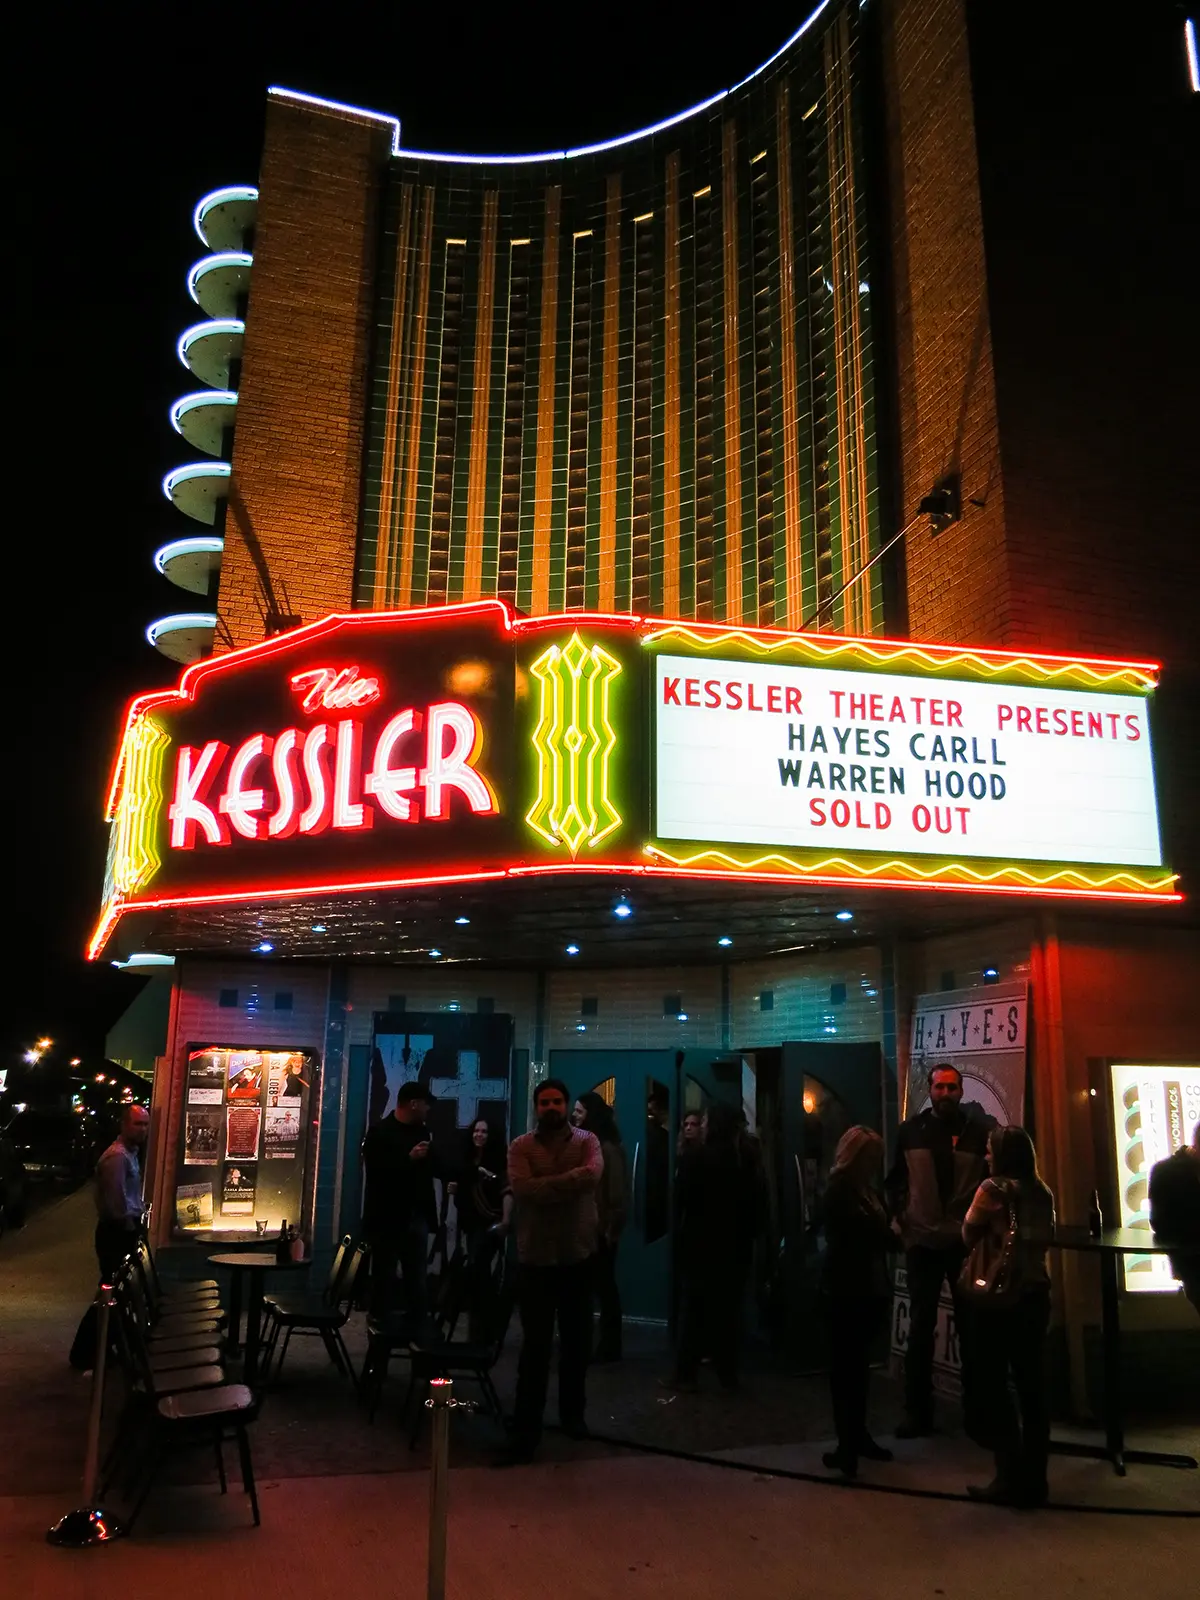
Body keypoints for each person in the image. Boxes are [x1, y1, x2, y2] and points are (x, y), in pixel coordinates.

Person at [495, 1079, 602, 1466]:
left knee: (576, 1345)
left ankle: (574, 1418)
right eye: (545, 1103)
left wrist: (547, 1185)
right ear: (536, 1107)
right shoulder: (520, 1146)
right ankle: (527, 1431)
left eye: (558, 1101)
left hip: (577, 1257)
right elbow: (524, 1191)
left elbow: (593, 1175)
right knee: (534, 1349)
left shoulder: (588, 1140)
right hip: (536, 1260)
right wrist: (568, 1183)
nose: (552, 1108)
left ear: (566, 1103)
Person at [885, 1063, 990, 1438]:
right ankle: (918, 1412)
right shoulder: (910, 1132)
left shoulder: (980, 1134)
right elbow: (895, 1179)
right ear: (929, 1091)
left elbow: (989, 1184)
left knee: (971, 1329)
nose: (945, 1093)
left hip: (963, 1244)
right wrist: (901, 1219)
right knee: (920, 1328)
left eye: (952, 1088)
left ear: (961, 1091)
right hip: (924, 1242)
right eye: (939, 1087)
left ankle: (977, 1414)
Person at [963, 1125, 1056, 1506]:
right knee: (1033, 1386)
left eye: (990, 1149)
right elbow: (1045, 1237)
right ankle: (1036, 1481)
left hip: (1000, 1297)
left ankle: (1007, 1474)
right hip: (1036, 1292)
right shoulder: (1042, 1191)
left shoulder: (992, 1190)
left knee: (995, 1384)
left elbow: (969, 1233)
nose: (986, 1155)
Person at [665, 1102, 760, 1392]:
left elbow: (680, 1201)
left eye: (705, 1121)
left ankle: (686, 1374)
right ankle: (727, 1375)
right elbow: (756, 1205)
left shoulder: (695, 1158)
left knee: (694, 1311)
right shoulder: (744, 1159)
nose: (701, 1125)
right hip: (734, 1246)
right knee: (727, 1313)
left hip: (698, 1244)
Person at [821, 1126, 896, 1477]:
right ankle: (847, 1443)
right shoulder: (840, 1190)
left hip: (867, 1286)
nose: (875, 1164)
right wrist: (886, 1234)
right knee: (845, 1371)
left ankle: (857, 1437)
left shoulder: (866, 1190)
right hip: (846, 1289)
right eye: (871, 1158)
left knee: (857, 1369)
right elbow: (853, 1234)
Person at [70, 1104, 149, 1370]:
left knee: (113, 1295)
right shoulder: (117, 1157)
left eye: (146, 1124)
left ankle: (103, 1350)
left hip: (121, 1230)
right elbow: (116, 1203)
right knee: (109, 1295)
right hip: (116, 1232)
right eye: (138, 1124)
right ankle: (84, 1353)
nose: (143, 1130)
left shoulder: (130, 1154)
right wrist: (130, 1228)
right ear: (124, 1125)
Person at [361, 1082, 443, 1333]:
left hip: (415, 1216)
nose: (428, 1109)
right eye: (425, 1104)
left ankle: (418, 1332)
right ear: (414, 1104)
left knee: (416, 1278)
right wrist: (408, 1159)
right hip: (386, 1219)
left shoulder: (422, 1131)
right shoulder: (380, 1132)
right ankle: (380, 1335)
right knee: (384, 1276)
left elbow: (427, 1173)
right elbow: (376, 1173)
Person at [572, 1092, 629, 1362]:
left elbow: (615, 1193)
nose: (575, 1116)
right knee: (601, 1286)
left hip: (600, 1229)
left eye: (580, 1112)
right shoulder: (595, 1145)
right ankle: (604, 1344)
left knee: (603, 1286)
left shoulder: (605, 1149)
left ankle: (608, 1345)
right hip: (594, 1227)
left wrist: (609, 1228)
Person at [450, 1118, 513, 1340]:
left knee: (480, 1275)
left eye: (484, 1131)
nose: (479, 1135)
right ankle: (480, 1331)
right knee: (479, 1276)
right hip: (471, 1225)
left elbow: (507, 1191)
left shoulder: (499, 1161)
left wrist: (505, 1221)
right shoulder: (467, 1160)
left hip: (489, 1226)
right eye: (476, 1130)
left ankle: (482, 1332)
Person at [1149, 1120, 1200, 1312]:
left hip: (1188, 1262)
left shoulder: (1164, 1171)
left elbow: (1159, 1223)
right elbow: (1162, 1223)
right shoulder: (1168, 1173)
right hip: (1192, 1261)